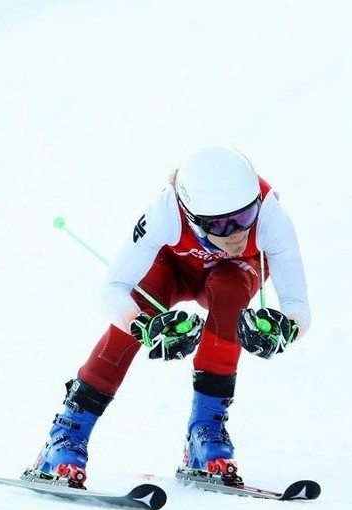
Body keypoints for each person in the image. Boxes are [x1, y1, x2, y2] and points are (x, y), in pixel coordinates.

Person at [23, 145, 310, 488]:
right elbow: (113, 288)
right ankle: (66, 435)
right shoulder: (165, 213)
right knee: (141, 307)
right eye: (220, 224)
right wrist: (143, 327)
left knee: (230, 290)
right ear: (192, 217)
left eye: (245, 216)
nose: (236, 233)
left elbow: (299, 306)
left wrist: (285, 329)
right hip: (171, 270)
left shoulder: (272, 215)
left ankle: (205, 433)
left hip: (233, 275)